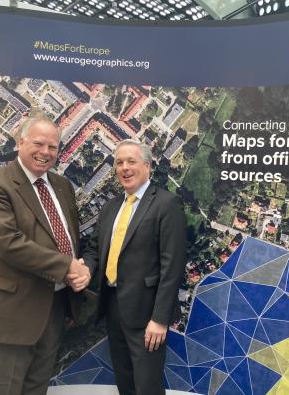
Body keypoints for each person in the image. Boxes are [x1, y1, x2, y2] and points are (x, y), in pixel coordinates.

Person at [0, 113, 91, 395]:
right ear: (20, 142)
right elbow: (7, 242)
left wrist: (79, 269)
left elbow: (68, 240)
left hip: (53, 310)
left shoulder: (61, 186)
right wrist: (68, 267)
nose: (45, 152)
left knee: (36, 390)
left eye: (53, 147)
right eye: (38, 143)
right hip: (9, 315)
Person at [83, 139, 187, 395]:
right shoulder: (111, 206)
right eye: (119, 162)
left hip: (147, 315)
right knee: (125, 383)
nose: (124, 168)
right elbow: (94, 248)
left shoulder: (166, 204)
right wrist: (85, 267)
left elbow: (172, 266)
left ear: (148, 167)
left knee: (147, 387)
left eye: (131, 161)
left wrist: (160, 319)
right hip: (113, 307)